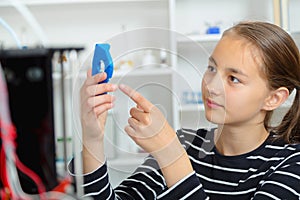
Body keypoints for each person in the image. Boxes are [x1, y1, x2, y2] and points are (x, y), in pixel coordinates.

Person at [71, 21, 300, 199]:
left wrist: (171, 156)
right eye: (211, 68)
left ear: (273, 98)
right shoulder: (185, 144)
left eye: (233, 79)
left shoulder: (291, 164)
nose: (211, 85)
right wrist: (92, 139)